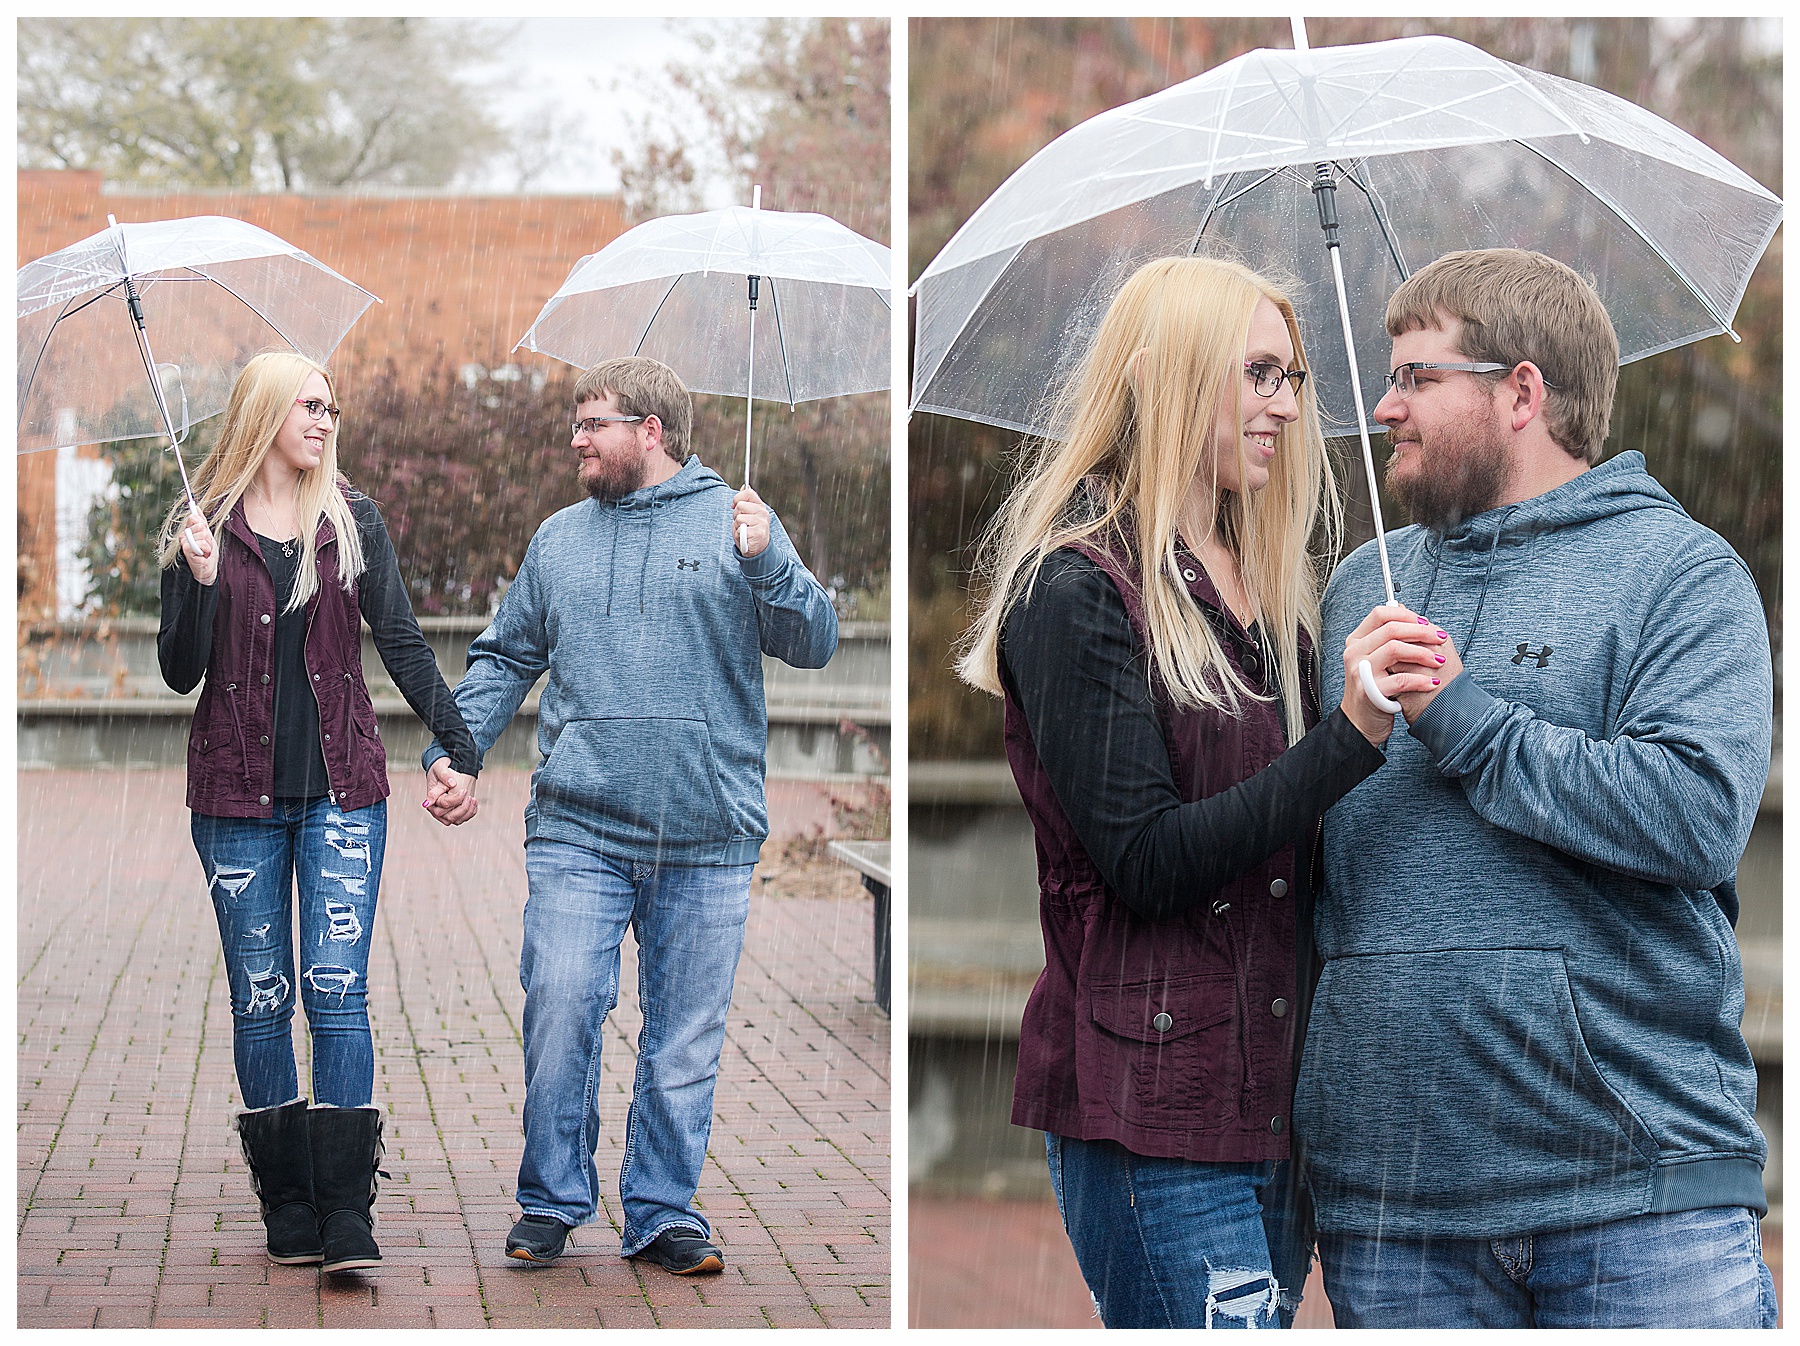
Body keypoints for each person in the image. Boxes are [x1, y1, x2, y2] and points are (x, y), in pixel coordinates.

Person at [955, 255, 1446, 1328]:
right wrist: (1349, 736)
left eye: (1294, 376)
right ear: (1168, 375)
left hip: (1278, 1102)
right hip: (1152, 1105)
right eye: (1259, 372)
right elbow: (1148, 859)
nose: (1285, 403)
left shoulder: (1276, 594)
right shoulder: (1076, 589)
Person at [1303, 248, 1776, 1329]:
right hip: (1395, 1203)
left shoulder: (1682, 576)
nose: (1383, 405)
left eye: (1418, 377)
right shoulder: (1356, 590)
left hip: (1636, 1193)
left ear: (1521, 391)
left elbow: (1697, 814)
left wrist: (1464, 720)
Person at [417, 355, 837, 1274]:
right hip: (580, 825)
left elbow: (816, 640)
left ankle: (660, 1211)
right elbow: (503, 659)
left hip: (709, 831)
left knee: (683, 1038)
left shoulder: (740, 523)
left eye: (592, 423)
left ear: (651, 430)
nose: (577, 440)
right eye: (576, 423)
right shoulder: (560, 539)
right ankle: (552, 1199)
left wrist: (770, 563)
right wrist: (455, 749)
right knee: (561, 1005)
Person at [158, 350, 482, 1274]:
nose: (324, 418)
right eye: (308, 403)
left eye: (330, 406)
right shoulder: (206, 527)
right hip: (235, 804)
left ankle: (346, 1209)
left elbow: (406, 646)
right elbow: (180, 671)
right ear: (263, 412)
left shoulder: (354, 522)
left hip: (344, 794)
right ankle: (287, 1204)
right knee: (264, 1000)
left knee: (337, 993)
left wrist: (461, 747)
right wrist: (200, 580)